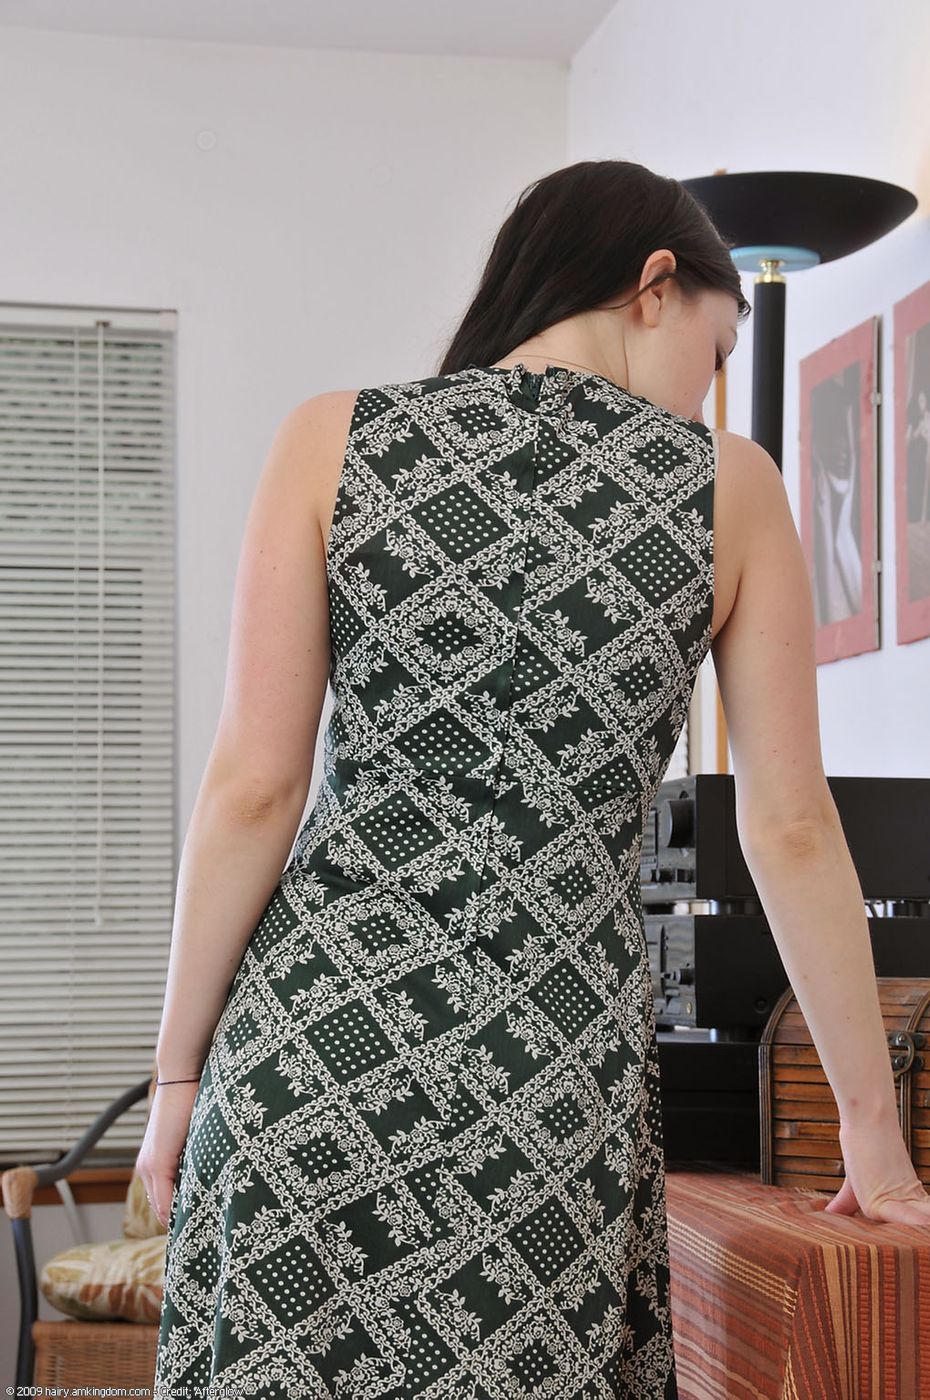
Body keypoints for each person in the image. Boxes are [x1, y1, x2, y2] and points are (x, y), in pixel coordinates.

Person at [142, 159, 930, 1400]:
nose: (709, 390)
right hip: (544, 1079)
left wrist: (179, 1076)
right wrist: (875, 1143)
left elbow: (252, 788)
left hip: (312, 1054)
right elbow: (788, 828)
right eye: (719, 351)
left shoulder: (330, 439)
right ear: (655, 285)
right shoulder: (727, 487)